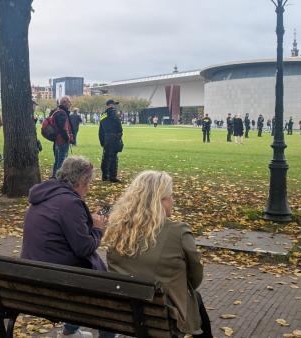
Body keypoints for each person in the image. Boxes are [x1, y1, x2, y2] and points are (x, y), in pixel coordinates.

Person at [104, 171, 213, 338]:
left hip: (126, 312)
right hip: (165, 315)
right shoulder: (178, 232)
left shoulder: (117, 228)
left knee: (194, 300)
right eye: (170, 196)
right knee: (194, 299)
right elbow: (195, 275)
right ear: (158, 201)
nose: (173, 201)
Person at [20, 157, 115, 338]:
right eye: (89, 183)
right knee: (109, 289)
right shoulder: (70, 203)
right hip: (56, 282)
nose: (88, 188)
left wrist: (87, 224)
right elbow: (84, 248)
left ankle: (70, 331)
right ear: (82, 181)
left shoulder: (44, 194)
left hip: (33, 275)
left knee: (78, 274)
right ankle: (107, 335)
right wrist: (97, 229)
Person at [99, 99, 124, 183]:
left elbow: (101, 129)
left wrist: (102, 140)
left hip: (106, 137)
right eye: (113, 104)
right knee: (113, 157)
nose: (114, 106)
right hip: (114, 137)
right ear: (111, 105)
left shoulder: (103, 114)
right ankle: (112, 176)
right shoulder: (113, 112)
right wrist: (120, 134)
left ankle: (105, 175)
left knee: (105, 157)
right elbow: (118, 125)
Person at [51, 97, 74, 177]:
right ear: (65, 102)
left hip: (58, 140)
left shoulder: (58, 111)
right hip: (62, 140)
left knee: (58, 160)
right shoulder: (62, 113)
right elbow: (63, 128)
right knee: (62, 161)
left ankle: (54, 177)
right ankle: (58, 179)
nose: (70, 104)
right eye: (69, 102)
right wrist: (68, 138)